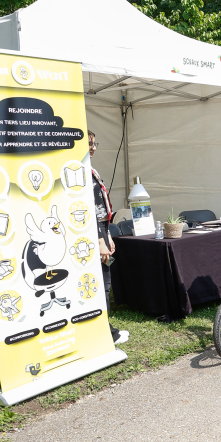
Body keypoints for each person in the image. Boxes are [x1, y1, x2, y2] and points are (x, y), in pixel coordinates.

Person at [89, 130, 128, 345]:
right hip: (95, 233)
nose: (93, 147)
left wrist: (108, 233)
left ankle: (105, 327)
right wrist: (101, 241)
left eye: (95, 143)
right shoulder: (79, 171)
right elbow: (87, 210)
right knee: (101, 282)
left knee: (105, 281)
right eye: (88, 143)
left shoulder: (90, 169)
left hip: (102, 229)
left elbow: (101, 210)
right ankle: (104, 332)